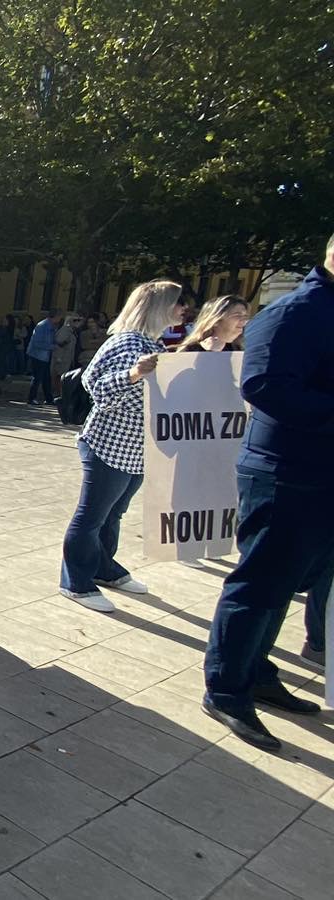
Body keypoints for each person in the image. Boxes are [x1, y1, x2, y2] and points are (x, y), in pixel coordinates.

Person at [202, 237, 334, 751]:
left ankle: (255, 670)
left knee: (287, 585)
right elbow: (264, 386)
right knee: (260, 583)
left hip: (319, 474)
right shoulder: (294, 312)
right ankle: (225, 689)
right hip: (286, 474)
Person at [57, 281, 184, 613]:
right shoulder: (125, 342)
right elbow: (96, 387)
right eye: (178, 302)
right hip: (109, 445)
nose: (184, 309)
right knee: (92, 516)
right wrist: (133, 373)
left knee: (113, 514)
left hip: (136, 449)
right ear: (159, 308)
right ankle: (76, 581)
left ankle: (102, 567)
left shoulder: (153, 343)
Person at [176, 295, 248, 353]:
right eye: (237, 315)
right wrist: (210, 353)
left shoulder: (240, 350)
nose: (244, 320)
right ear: (216, 321)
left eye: (245, 316)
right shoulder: (191, 350)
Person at [26, 310, 61, 405]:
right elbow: (37, 343)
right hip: (38, 355)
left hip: (45, 356)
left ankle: (49, 399)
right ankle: (31, 398)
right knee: (37, 377)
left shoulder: (51, 326)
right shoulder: (42, 326)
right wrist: (52, 347)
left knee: (46, 378)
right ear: (55, 316)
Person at [52, 313, 83, 387]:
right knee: (59, 377)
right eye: (75, 320)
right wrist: (59, 358)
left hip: (68, 358)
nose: (78, 322)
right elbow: (59, 342)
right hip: (62, 358)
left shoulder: (72, 331)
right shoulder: (65, 330)